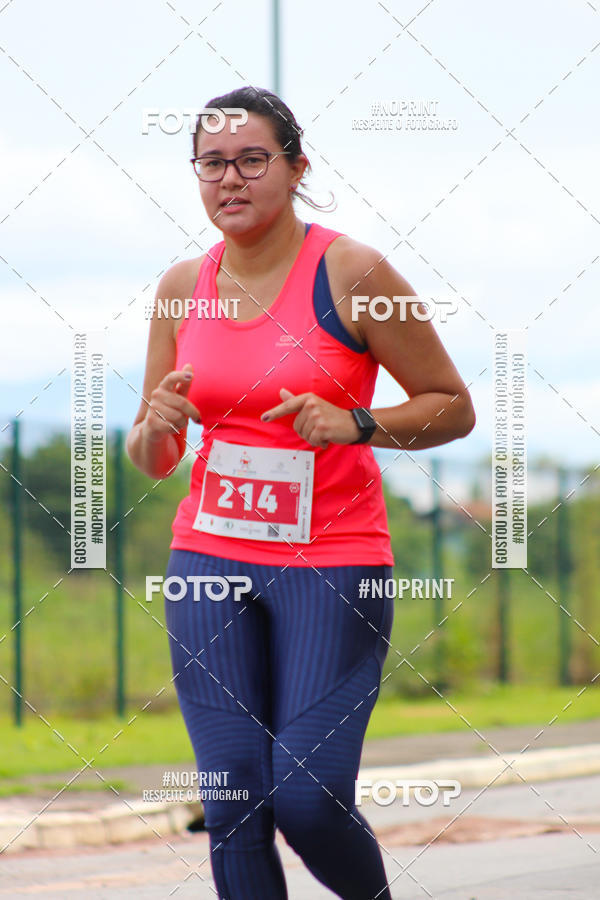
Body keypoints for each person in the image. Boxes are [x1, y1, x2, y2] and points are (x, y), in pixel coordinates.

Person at [127, 86, 475, 900]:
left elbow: (450, 405)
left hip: (333, 563)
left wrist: (355, 422)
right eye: (212, 164)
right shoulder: (182, 285)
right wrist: (155, 423)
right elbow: (155, 454)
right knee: (234, 804)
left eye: (253, 159)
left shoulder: (351, 270)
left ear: (296, 169)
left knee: (308, 800)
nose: (231, 179)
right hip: (208, 555)